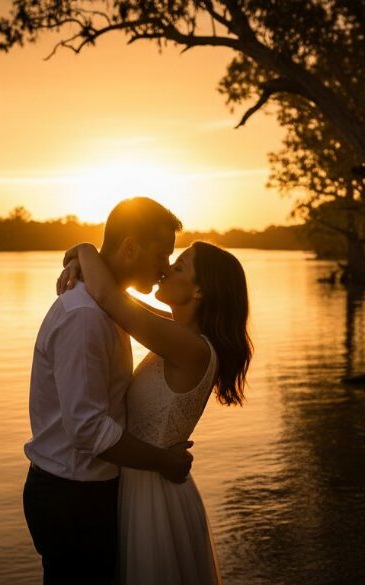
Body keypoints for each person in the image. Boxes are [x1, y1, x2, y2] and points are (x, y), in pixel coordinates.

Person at [58, 239, 253, 585]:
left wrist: (85, 250)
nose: (166, 270)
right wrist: (83, 269)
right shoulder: (179, 334)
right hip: (147, 480)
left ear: (198, 292)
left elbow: (110, 299)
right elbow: (118, 300)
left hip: (155, 493)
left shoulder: (189, 346)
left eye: (178, 268)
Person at [23, 197, 194, 585]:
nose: (165, 267)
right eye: (161, 254)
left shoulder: (110, 306)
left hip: (87, 492)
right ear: (130, 247)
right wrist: (163, 461)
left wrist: (83, 252)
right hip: (72, 497)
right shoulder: (84, 317)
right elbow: (87, 429)